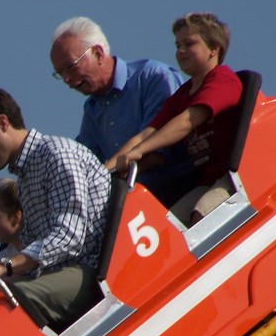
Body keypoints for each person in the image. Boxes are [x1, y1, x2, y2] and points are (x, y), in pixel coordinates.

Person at [0, 86, 111, 332]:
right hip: (57, 276)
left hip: (90, 274)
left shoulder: (57, 155)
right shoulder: (26, 176)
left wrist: (4, 268)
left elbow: (68, 237)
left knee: (1, 306)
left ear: (2, 123)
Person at [115, 12, 242, 225]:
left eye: (189, 43)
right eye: (177, 45)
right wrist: (107, 170)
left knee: (201, 214)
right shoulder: (183, 94)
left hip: (236, 176)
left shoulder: (223, 81)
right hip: (208, 180)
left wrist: (139, 152)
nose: (180, 51)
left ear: (214, 49)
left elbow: (187, 121)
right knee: (168, 225)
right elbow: (148, 132)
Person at [50, 16, 192, 207]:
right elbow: (81, 164)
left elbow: (158, 153)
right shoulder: (93, 109)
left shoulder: (153, 77)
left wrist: (105, 177)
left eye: (71, 67)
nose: (67, 79)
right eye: (60, 74)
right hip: (136, 208)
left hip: (181, 192)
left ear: (98, 54)